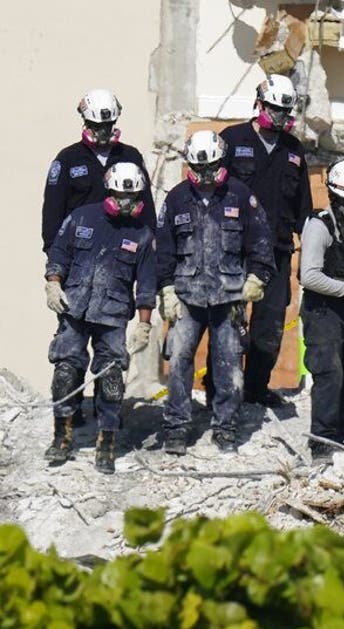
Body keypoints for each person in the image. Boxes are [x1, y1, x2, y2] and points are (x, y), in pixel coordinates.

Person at [156, 130, 274, 455]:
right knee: (179, 359)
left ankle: (225, 427)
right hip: (186, 296)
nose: (205, 175)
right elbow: (164, 248)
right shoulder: (176, 199)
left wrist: (257, 277)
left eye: (211, 167)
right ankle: (177, 428)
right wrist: (165, 288)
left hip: (230, 297)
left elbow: (261, 241)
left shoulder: (240, 196)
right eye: (198, 167)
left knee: (229, 363)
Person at [43, 163, 156, 474]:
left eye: (133, 195)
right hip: (74, 308)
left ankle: (106, 442)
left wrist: (144, 323)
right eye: (122, 194)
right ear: (110, 191)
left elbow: (147, 283)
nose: (127, 201)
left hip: (112, 315)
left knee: (110, 380)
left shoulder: (142, 235)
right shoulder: (80, 218)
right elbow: (59, 254)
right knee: (66, 371)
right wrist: (53, 283)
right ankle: (62, 436)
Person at [219, 75, 312, 407]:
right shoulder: (231, 140)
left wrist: (314, 251)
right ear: (259, 103)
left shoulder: (294, 151)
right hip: (234, 251)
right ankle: (221, 390)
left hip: (277, 251)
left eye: (284, 110)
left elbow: (303, 207)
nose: (277, 115)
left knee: (270, 325)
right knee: (228, 322)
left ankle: (255, 389)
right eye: (272, 108)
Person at [298, 159, 344, 455]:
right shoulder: (319, 226)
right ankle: (321, 443)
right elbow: (310, 276)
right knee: (330, 374)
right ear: (333, 196)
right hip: (322, 311)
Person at [42, 89, 155, 253]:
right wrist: (53, 252)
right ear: (86, 122)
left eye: (108, 125)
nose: (103, 131)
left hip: (122, 250)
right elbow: (53, 209)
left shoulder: (131, 156)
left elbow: (146, 204)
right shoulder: (67, 159)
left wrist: (150, 246)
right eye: (97, 126)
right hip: (79, 250)